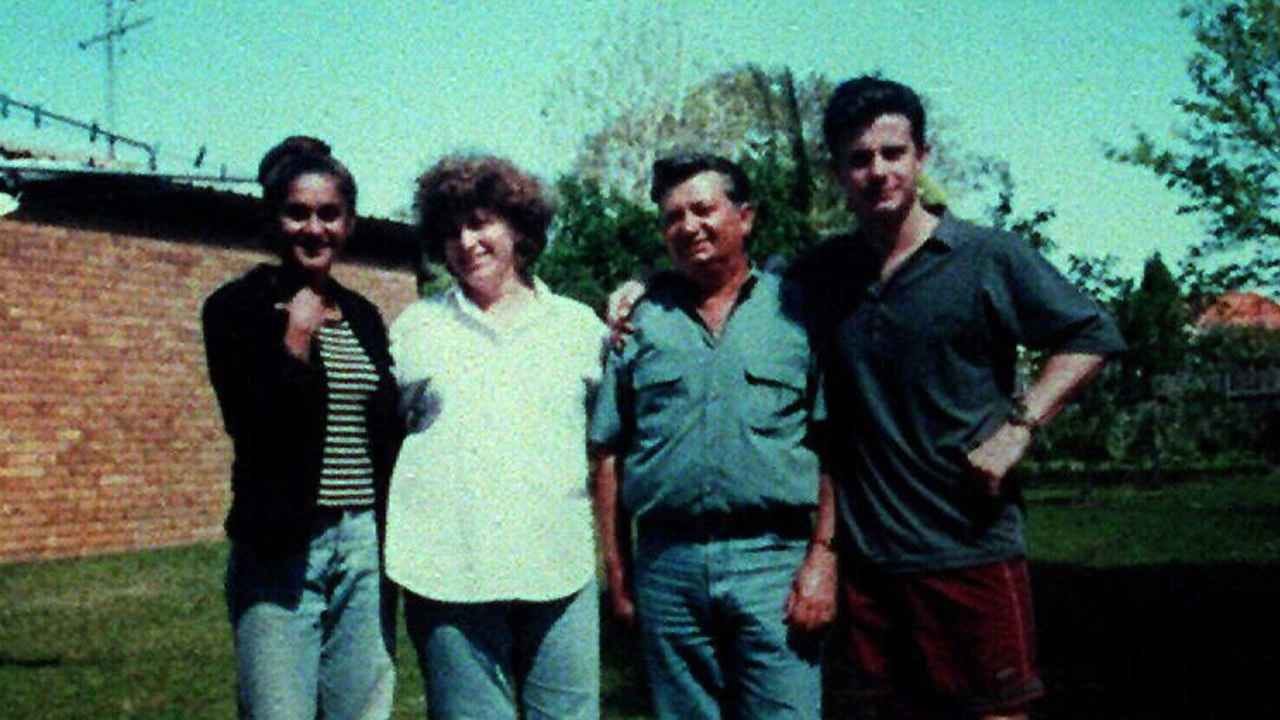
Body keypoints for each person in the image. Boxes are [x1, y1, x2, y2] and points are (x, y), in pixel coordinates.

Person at [807, 76, 1127, 719]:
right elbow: (727, 275)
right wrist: (641, 286)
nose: (878, 171)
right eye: (859, 158)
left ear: (922, 157)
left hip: (969, 545)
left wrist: (1020, 428)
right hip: (869, 562)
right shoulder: (825, 273)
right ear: (838, 171)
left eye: (893, 153)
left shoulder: (986, 257)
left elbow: (1092, 334)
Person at [589, 153, 837, 720]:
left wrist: (823, 559)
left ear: (744, 217)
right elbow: (608, 452)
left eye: (704, 209)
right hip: (667, 564)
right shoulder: (639, 321)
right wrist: (618, 573)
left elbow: (834, 444)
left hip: (772, 560)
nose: (688, 226)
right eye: (673, 216)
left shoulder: (798, 312)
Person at [385, 154, 604, 720]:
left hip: (558, 568)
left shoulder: (581, 328)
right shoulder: (415, 330)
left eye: (481, 222)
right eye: (452, 229)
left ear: (518, 228)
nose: (467, 241)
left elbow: (607, 442)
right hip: (449, 574)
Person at [202, 136, 401, 720]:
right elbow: (253, 423)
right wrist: (295, 339)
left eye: (328, 214)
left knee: (360, 710)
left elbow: (386, 429)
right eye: (298, 213)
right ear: (274, 219)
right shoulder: (235, 309)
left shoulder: (363, 316)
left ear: (348, 224)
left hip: (362, 544)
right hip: (281, 547)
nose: (313, 228)